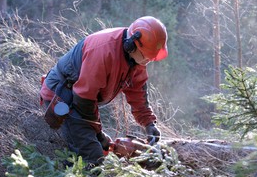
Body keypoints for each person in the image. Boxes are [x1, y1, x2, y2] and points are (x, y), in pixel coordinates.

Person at [39, 16, 168, 168]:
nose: (148, 61)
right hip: (65, 96)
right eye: (146, 56)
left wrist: (148, 123)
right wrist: (99, 134)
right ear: (131, 45)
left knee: (93, 145)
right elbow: (84, 98)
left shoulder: (136, 59)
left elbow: (138, 92)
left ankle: (66, 169)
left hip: (82, 96)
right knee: (92, 155)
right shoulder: (103, 51)